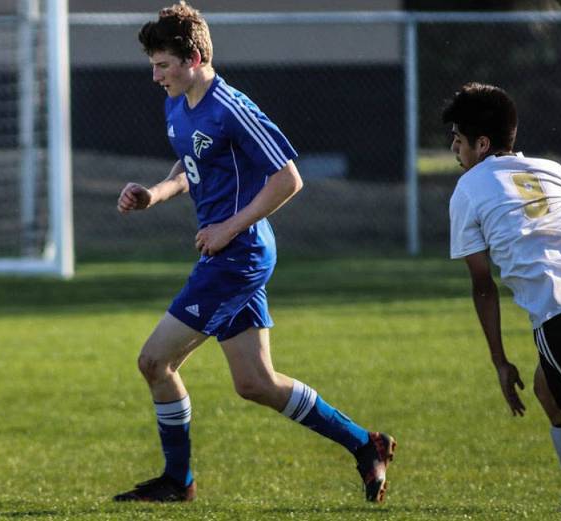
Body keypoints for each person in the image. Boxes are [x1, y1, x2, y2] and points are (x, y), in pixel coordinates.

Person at [112, 2, 395, 504]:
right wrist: (154, 194)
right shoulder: (177, 102)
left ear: (194, 57)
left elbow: (289, 178)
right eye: (152, 66)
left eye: (163, 66)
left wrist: (226, 229)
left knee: (155, 362)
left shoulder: (233, 106)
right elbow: (191, 165)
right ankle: (364, 444)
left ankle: (178, 481)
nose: (155, 77)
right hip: (226, 253)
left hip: (237, 255)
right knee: (255, 382)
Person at [445, 82, 561, 512]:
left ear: (481, 144)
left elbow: (483, 285)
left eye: (458, 139)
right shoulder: (551, 168)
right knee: (547, 386)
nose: (454, 148)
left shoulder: (468, 189)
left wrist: (500, 361)